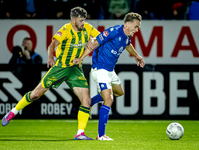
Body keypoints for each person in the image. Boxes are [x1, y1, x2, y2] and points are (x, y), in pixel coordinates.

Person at [2, 6, 100, 140]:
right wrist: (50, 57)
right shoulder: (65, 30)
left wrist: (94, 41)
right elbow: (52, 45)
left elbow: (100, 37)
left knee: (86, 101)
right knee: (36, 94)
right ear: (73, 20)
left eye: (84, 20)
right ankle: (12, 112)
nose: (83, 23)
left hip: (75, 69)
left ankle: (80, 133)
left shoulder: (88, 28)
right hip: (60, 67)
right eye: (81, 20)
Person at [73, 12, 145, 140]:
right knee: (109, 98)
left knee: (119, 92)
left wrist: (137, 56)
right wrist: (80, 58)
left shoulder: (127, 36)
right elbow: (94, 43)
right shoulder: (114, 31)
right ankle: (101, 135)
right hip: (100, 69)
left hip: (110, 71)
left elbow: (127, 45)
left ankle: (90, 103)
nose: (137, 30)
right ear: (127, 24)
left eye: (138, 27)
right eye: (136, 26)